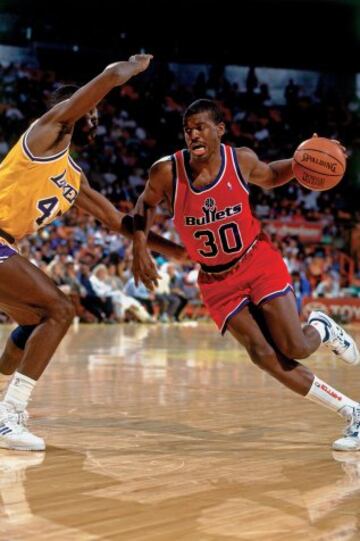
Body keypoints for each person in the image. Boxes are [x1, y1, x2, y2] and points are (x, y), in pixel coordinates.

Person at [132, 98, 360, 452]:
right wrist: (140, 245)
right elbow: (144, 206)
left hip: (256, 260)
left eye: (200, 126)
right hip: (215, 279)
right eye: (187, 128)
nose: (193, 134)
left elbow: (272, 175)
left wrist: (315, 154)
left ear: (220, 129)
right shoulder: (166, 171)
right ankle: (352, 412)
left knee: (294, 346)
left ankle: (322, 327)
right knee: (261, 354)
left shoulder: (240, 160)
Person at [0, 54, 185, 451]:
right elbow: (105, 79)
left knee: (35, 324)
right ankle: (9, 415)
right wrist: (130, 68)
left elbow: (117, 220)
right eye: (92, 114)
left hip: (5, 246)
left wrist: (180, 253)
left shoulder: (73, 175)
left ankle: (5, 401)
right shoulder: (46, 134)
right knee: (61, 310)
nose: (96, 121)